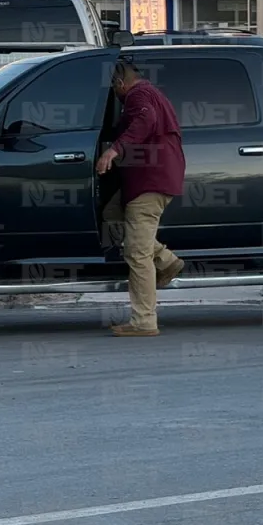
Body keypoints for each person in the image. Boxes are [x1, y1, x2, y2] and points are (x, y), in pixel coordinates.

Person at [97, 59, 186, 337]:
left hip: (149, 183)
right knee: (111, 213)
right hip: (152, 181)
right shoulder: (152, 93)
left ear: (120, 82)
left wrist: (114, 150)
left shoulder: (138, 95)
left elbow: (145, 120)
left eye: (115, 89)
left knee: (137, 254)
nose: (117, 95)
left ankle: (144, 321)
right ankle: (166, 258)